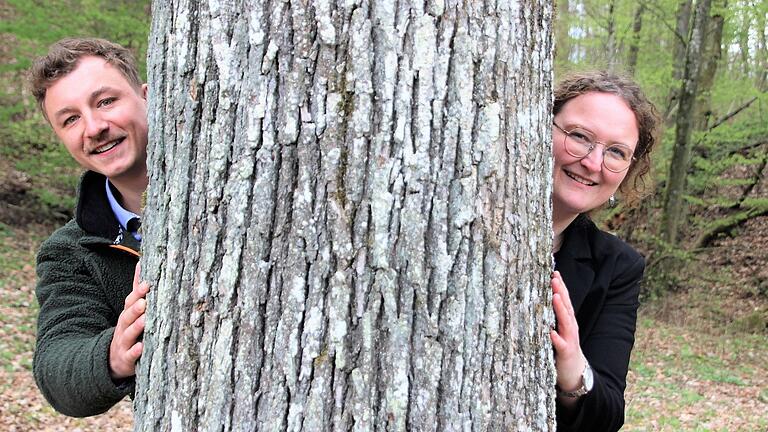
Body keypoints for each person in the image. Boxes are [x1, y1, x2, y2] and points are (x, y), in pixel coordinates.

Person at [29, 37, 150, 417]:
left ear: (148, 96)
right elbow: (56, 363)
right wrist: (112, 354)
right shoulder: (70, 250)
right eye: (71, 119)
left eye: (105, 101)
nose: (94, 127)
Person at [548, 71, 661, 431]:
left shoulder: (618, 266)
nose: (593, 163)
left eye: (616, 151)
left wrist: (574, 373)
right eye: (579, 137)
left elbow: (609, 414)